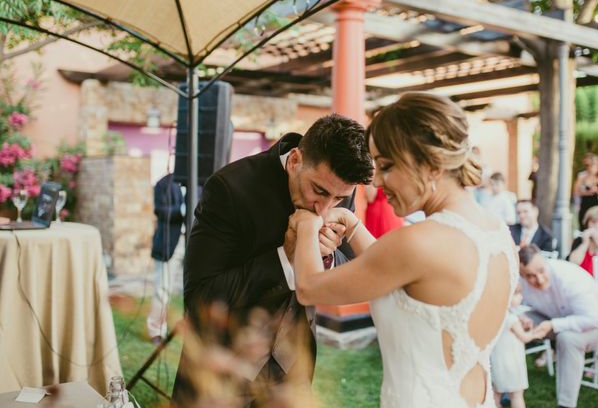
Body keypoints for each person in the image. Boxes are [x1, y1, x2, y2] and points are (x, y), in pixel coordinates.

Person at [289, 93, 518, 408]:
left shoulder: (417, 242)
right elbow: (399, 277)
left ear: (430, 165)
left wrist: (306, 225)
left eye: (386, 166)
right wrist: (352, 225)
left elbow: (308, 287)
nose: (378, 183)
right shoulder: (497, 234)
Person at [172, 114, 373, 406]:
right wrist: (286, 257)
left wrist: (327, 258)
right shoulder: (229, 188)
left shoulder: (337, 191)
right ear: (295, 161)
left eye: (339, 199)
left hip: (294, 365)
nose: (324, 209)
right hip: (223, 366)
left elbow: (352, 267)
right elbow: (200, 298)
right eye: (318, 191)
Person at [519, 244, 598, 408]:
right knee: (512, 323)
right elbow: (514, 305)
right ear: (521, 274)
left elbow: (594, 319)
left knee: (567, 338)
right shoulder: (519, 280)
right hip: (554, 317)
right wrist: (521, 317)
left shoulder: (568, 277)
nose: (539, 279)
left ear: (545, 261)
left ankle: (566, 405)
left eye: (541, 271)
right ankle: (507, 389)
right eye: (530, 276)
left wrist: (553, 324)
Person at [146, 172, 184, 345]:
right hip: (170, 243)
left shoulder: (201, 182)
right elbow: (160, 211)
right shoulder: (163, 183)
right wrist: (184, 210)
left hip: (194, 240)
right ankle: (157, 331)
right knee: (163, 288)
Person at [491, 282, 533, 408]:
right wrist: (535, 332)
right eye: (516, 294)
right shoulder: (512, 319)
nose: (520, 297)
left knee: (495, 394)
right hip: (512, 363)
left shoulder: (496, 316)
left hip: (497, 362)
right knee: (516, 395)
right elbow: (525, 338)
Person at [573, 153, 598, 230]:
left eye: (590, 165)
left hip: (597, 205)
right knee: (584, 224)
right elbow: (576, 192)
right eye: (586, 165)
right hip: (584, 205)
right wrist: (587, 192)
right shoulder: (582, 175)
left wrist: (596, 189)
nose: (589, 168)